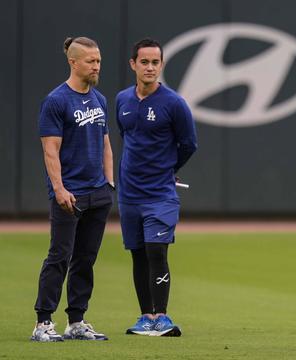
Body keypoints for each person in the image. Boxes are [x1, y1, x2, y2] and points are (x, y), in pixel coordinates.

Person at [33, 36, 114, 342]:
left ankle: (76, 321)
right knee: (59, 257)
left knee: (85, 260)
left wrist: (109, 183)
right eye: (91, 61)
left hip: (97, 193)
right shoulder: (56, 100)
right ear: (73, 62)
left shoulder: (99, 99)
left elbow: (106, 143)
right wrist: (59, 189)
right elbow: (50, 151)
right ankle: (43, 323)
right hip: (70, 194)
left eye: (99, 61)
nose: (97, 66)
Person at [116, 38, 197, 337]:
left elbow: (189, 144)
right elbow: (127, 136)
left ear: (161, 65)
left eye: (155, 62)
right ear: (133, 64)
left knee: (156, 250)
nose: (150, 67)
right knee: (137, 252)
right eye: (144, 62)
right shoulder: (122, 100)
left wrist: (168, 169)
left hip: (160, 194)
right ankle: (144, 317)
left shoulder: (174, 104)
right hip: (129, 193)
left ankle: (161, 317)